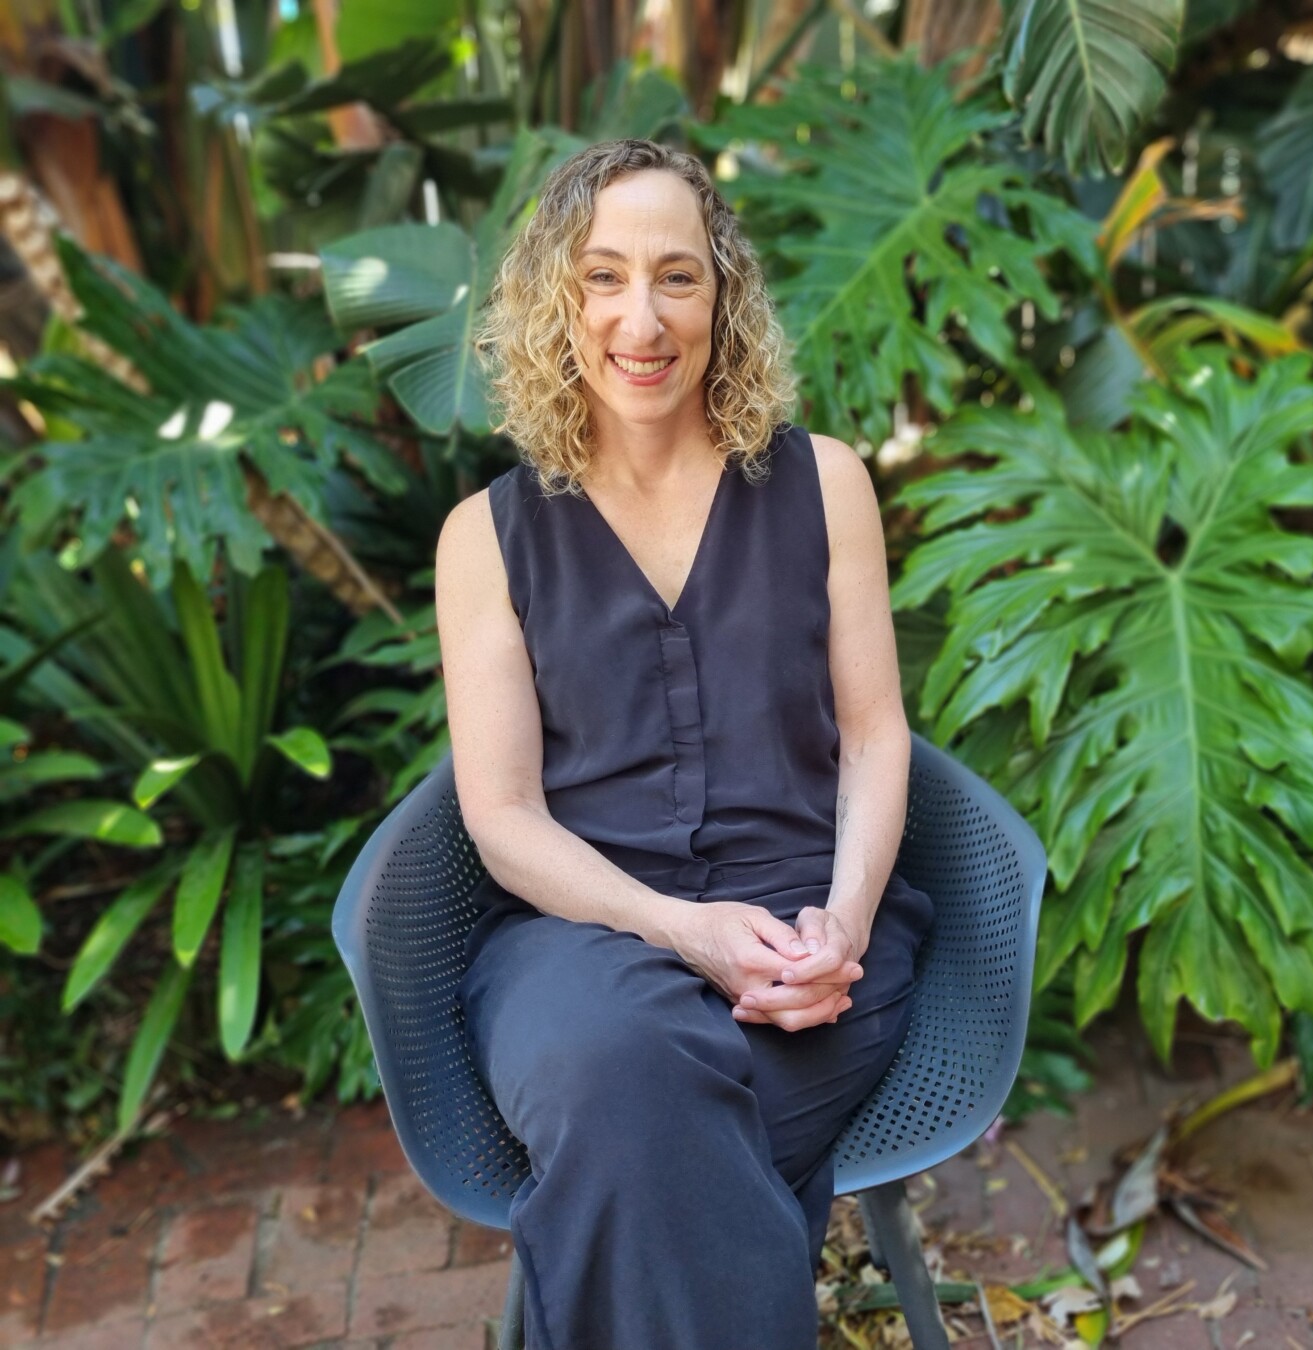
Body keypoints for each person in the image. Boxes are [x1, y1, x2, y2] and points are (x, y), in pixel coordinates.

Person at [434, 139, 934, 1349]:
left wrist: (846, 924)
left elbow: (875, 735)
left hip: (804, 949)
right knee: (621, 1075)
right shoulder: (484, 538)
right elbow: (501, 816)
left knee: (629, 1129)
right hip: (585, 938)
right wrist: (677, 930)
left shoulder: (828, 483)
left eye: (677, 277)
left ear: (724, 297)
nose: (640, 319)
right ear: (558, 300)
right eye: (603, 278)